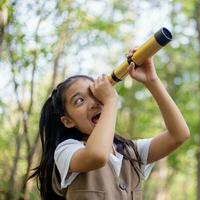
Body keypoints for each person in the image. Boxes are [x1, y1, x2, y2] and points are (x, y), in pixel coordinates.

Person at [28, 49, 190, 200]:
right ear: (68, 121)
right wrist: (110, 101)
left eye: (94, 93)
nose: (93, 103)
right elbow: (97, 155)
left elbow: (179, 135)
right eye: (80, 101)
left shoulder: (131, 152)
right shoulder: (66, 151)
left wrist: (151, 81)